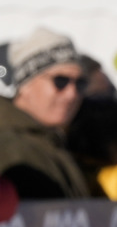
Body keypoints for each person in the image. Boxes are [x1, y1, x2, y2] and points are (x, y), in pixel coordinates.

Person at [0, 27, 91, 198]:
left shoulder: (59, 142)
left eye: (80, 84)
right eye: (60, 81)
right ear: (25, 85)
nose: (72, 94)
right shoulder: (7, 146)